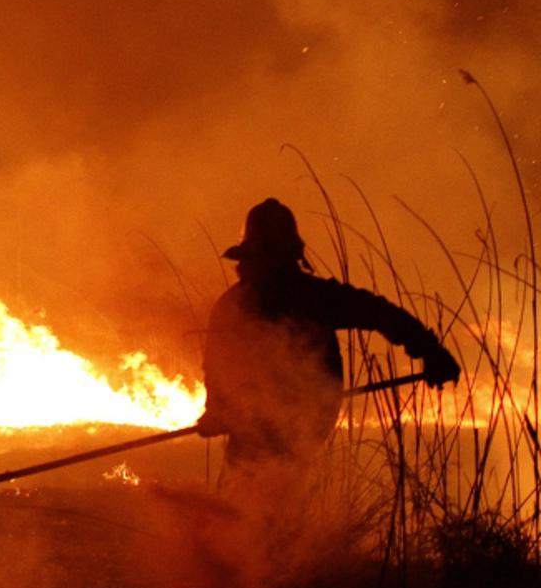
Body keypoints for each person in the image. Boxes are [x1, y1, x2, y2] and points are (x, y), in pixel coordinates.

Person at [196, 198, 460, 476]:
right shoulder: (305, 296)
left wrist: (431, 351)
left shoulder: (251, 302)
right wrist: (217, 410)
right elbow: (217, 365)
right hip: (283, 423)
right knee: (261, 491)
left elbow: (379, 313)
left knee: (248, 490)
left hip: (293, 425)